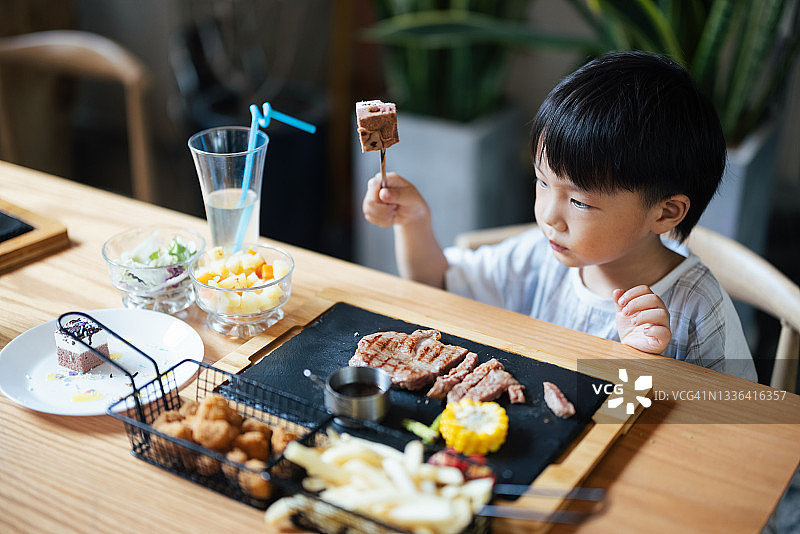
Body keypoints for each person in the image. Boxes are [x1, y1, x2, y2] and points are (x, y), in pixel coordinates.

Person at [361, 51, 756, 381]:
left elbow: (734, 428)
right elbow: (437, 285)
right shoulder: (540, 256)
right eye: (542, 182)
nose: (550, 215)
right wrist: (413, 222)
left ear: (666, 212)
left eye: (580, 202)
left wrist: (638, 363)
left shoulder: (696, 309)